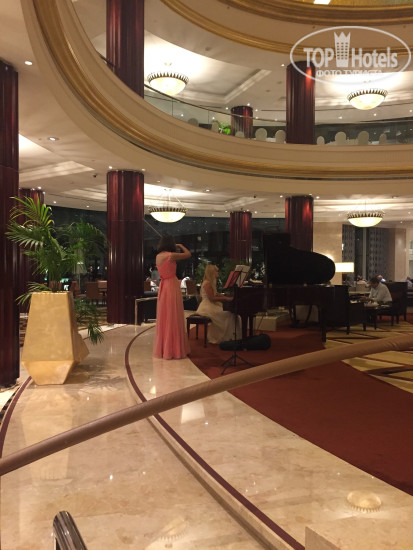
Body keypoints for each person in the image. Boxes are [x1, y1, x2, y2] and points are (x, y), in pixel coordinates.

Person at [153, 235, 191, 360]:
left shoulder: (158, 256)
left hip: (163, 286)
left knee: (165, 316)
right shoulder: (171, 255)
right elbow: (188, 254)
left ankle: (164, 349)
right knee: (173, 316)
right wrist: (180, 245)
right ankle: (174, 350)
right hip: (171, 286)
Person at [195, 264, 241, 344]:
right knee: (228, 314)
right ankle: (225, 337)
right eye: (216, 271)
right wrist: (225, 298)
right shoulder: (207, 284)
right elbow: (212, 298)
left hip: (211, 305)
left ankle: (232, 336)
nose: (218, 273)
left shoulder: (210, 282)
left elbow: (216, 294)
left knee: (231, 313)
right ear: (212, 272)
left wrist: (225, 296)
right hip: (207, 306)